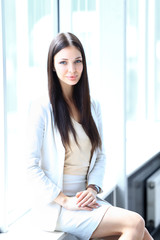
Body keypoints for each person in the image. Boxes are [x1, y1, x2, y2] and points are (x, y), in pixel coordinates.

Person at [27, 32, 153, 240]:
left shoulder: (92, 106)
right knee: (136, 223)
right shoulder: (42, 107)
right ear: (52, 65)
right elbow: (29, 167)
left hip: (86, 200)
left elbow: (100, 156)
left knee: (143, 234)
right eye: (64, 62)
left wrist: (92, 189)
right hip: (58, 206)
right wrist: (65, 200)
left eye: (77, 61)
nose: (72, 69)